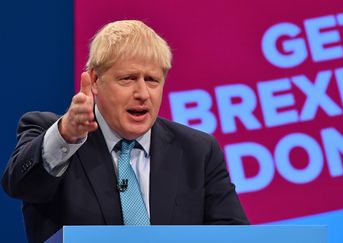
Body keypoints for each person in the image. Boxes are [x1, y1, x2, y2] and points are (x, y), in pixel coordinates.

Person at [2, 20, 249, 243]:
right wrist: (66, 134)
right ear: (95, 80)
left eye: (152, 80)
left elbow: (234, 235)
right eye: (128, 79)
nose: (142, 93)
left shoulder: (198, 150)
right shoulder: (52, 134)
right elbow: (21, 186)